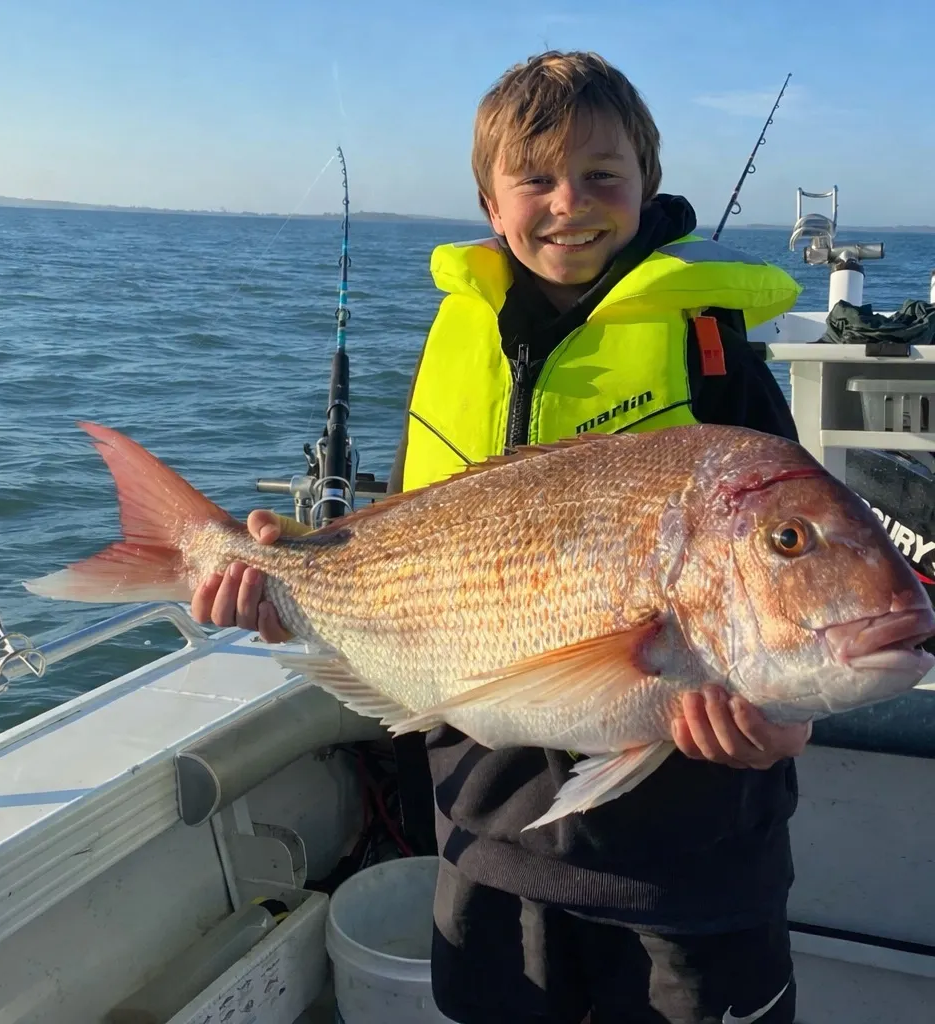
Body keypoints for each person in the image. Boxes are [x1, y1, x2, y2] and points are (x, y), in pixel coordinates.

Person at [192, 50, 811, 1024]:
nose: (570, 201)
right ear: (490, 203)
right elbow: (399, 554)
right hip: (483, 839)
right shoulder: (456, 348)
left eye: (602, 175)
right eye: (536, 180)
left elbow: (792, 557)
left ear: (647, 183)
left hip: (689, 868)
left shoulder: (716, 354)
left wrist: (783, 722)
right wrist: (292, 589)